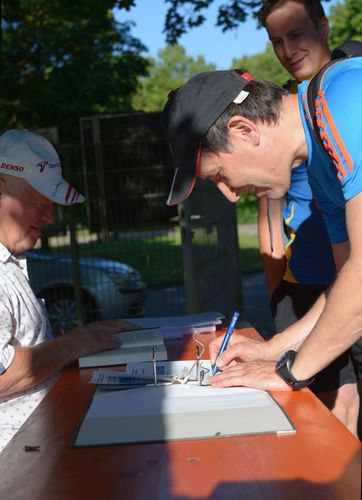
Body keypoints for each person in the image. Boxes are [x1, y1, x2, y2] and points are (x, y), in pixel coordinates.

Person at [160, 56, 362, 436]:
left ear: (244, 130)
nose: (230, 196)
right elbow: (347, 279)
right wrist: (274, 349)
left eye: (221, 175)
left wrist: (289, 371)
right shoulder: (321, 165)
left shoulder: (346, 97)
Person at [256, 0, 361, 430]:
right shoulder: (294, 110)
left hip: (347, 290)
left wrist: (285, 366)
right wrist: (276, 296)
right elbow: (270, 218)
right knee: (331, 416)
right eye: (277, 41)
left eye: (296, 34)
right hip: (312, 289)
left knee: (342, 412)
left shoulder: (342, 93)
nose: (287, 49)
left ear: (324, 26)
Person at [0, 129, 136, 453]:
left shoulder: (9, 258)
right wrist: (72, 344)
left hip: (36, 444)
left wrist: (78, 340)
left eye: (51, 204)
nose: (49, 217)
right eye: (37, 202)